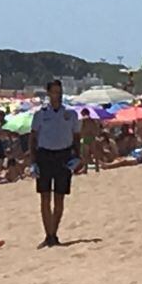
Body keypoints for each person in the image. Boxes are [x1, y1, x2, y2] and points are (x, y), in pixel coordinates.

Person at [30, 79, 81, 248]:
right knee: (45, 197)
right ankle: (48, 235)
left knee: (59, 197)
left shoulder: (70, 114)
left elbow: (76, 137)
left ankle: (54, 233)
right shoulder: (41, 113)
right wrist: (33, 161)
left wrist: (78, 157)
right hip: (45, 156)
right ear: (48, 93)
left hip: (64, 156)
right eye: (53, 91)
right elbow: (33, 137)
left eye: (59, 92)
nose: (57, 95)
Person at [78, 108, 101, 173]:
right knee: (94, 153)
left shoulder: (83, 120)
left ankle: (85, 168)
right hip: (92, 137)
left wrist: (81, 135)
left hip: (86, 137)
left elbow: (81, 129)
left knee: (85, 154)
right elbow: (96, 129)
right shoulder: (93, 120)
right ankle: (97, 167)